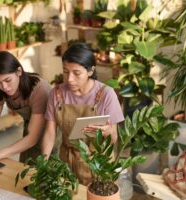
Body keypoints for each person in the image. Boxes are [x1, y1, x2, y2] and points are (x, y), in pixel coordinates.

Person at [41, 43, 124, 185]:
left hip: (98, 164)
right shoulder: (57, 94)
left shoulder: (106, 94)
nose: (70, 79)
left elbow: (113, 138)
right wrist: (42, 164)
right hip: (67, 162)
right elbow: (50, 133)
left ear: (90, 71)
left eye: (76, 73)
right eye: (66, 72)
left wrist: (107, 131)